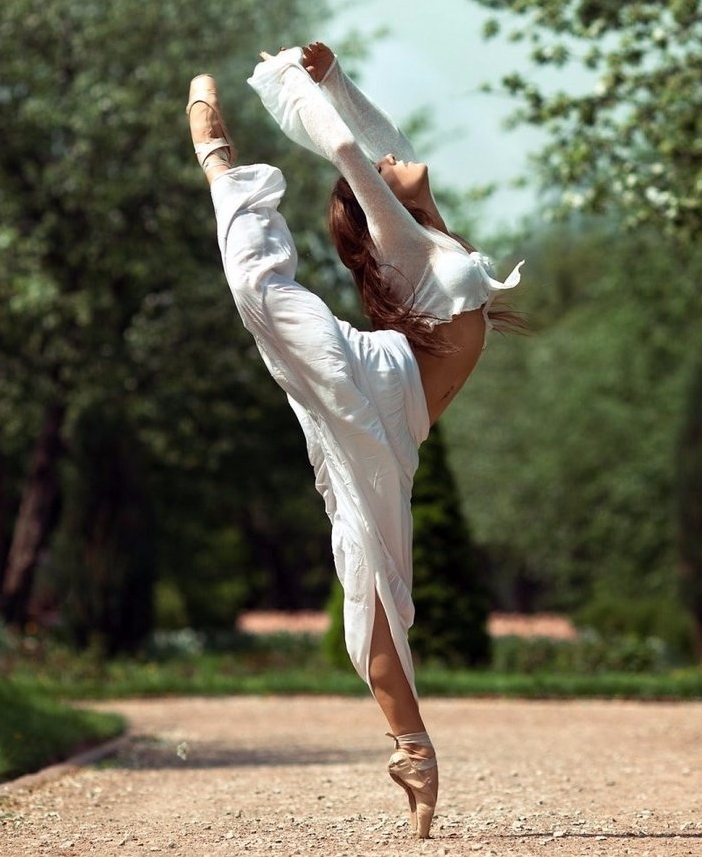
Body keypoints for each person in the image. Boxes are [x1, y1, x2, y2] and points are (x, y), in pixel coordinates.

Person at [186, 42, 520, 839]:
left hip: (391, 418)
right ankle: (218, 171)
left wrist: (332, 76)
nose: (395, 158)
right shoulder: (406, 245)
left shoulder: (429, 245)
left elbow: (376, 139)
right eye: (377, 176)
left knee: (373, 579)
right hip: (376, 382)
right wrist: (284, 86)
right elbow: (348, 147)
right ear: (374, 214)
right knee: (259, 294)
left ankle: (411, 750)